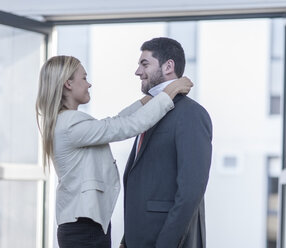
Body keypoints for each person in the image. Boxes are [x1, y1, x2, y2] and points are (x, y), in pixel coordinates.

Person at [35, 55, 193, 248]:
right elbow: (127, 126)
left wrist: (148, 99)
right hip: (83, 229)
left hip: (86, 225)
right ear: (68, 84)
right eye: (84, 78)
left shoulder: (67, 121)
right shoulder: (70, 124)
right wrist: (168, 93)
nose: (89, 84)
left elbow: (114, 121)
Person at [120, 37, 212, 248]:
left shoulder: (191, 114)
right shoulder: (148, 112)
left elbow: (190, 191)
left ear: (168, 66)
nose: (137, 72)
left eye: (145, 64)